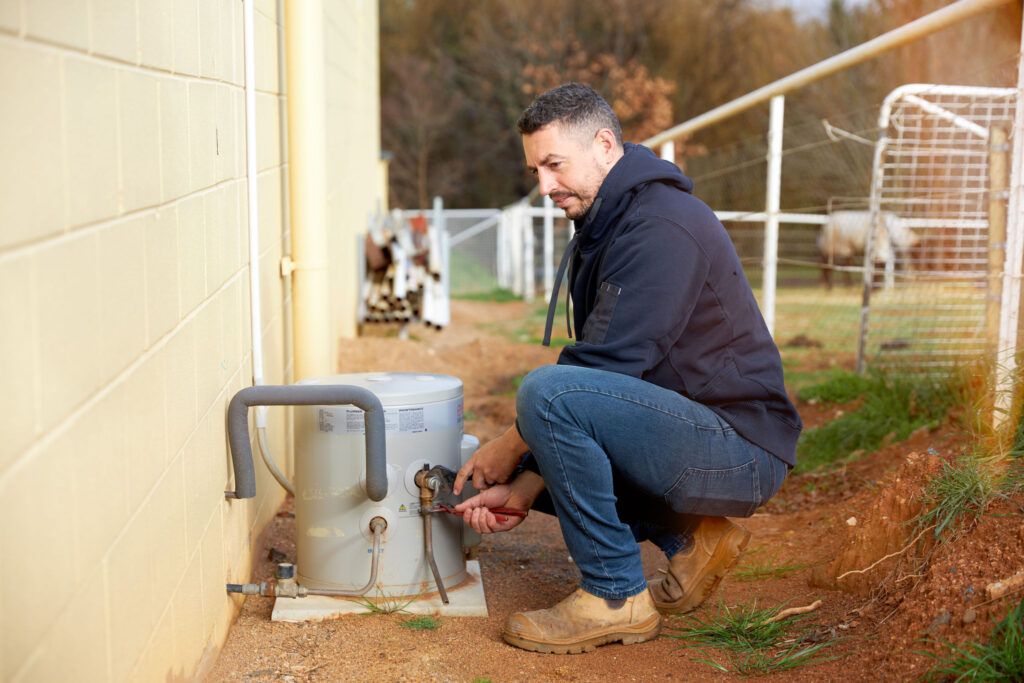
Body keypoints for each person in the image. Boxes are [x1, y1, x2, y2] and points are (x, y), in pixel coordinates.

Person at [453, 82, 802, 655]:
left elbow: (608, 370)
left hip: (741, 446)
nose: (544, 185)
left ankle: (614, 597)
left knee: (545, 396)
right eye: (536, 169)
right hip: (690, 429)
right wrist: (522, 489)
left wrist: (511, 445)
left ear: (606, 145)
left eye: (554, 164)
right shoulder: (609, 219)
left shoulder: (662, 225)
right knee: (551, 419)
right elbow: (610, 394)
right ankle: (692, 537)